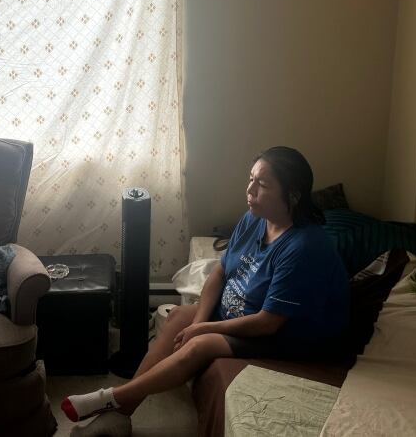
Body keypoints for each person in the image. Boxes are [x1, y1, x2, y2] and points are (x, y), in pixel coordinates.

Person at [61, 146, 350, 436]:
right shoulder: (254, 219)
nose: (250, 190)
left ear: (294, 194)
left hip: (286, 335)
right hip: (242, 314)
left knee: (202, 345)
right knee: (178, 318)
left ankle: (112, 399)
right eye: (250, 179)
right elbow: (221, 271)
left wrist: (203, 331)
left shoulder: (304, 248)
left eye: (262, 185)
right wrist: (199, 320)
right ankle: (123, 414)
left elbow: (268, 322)